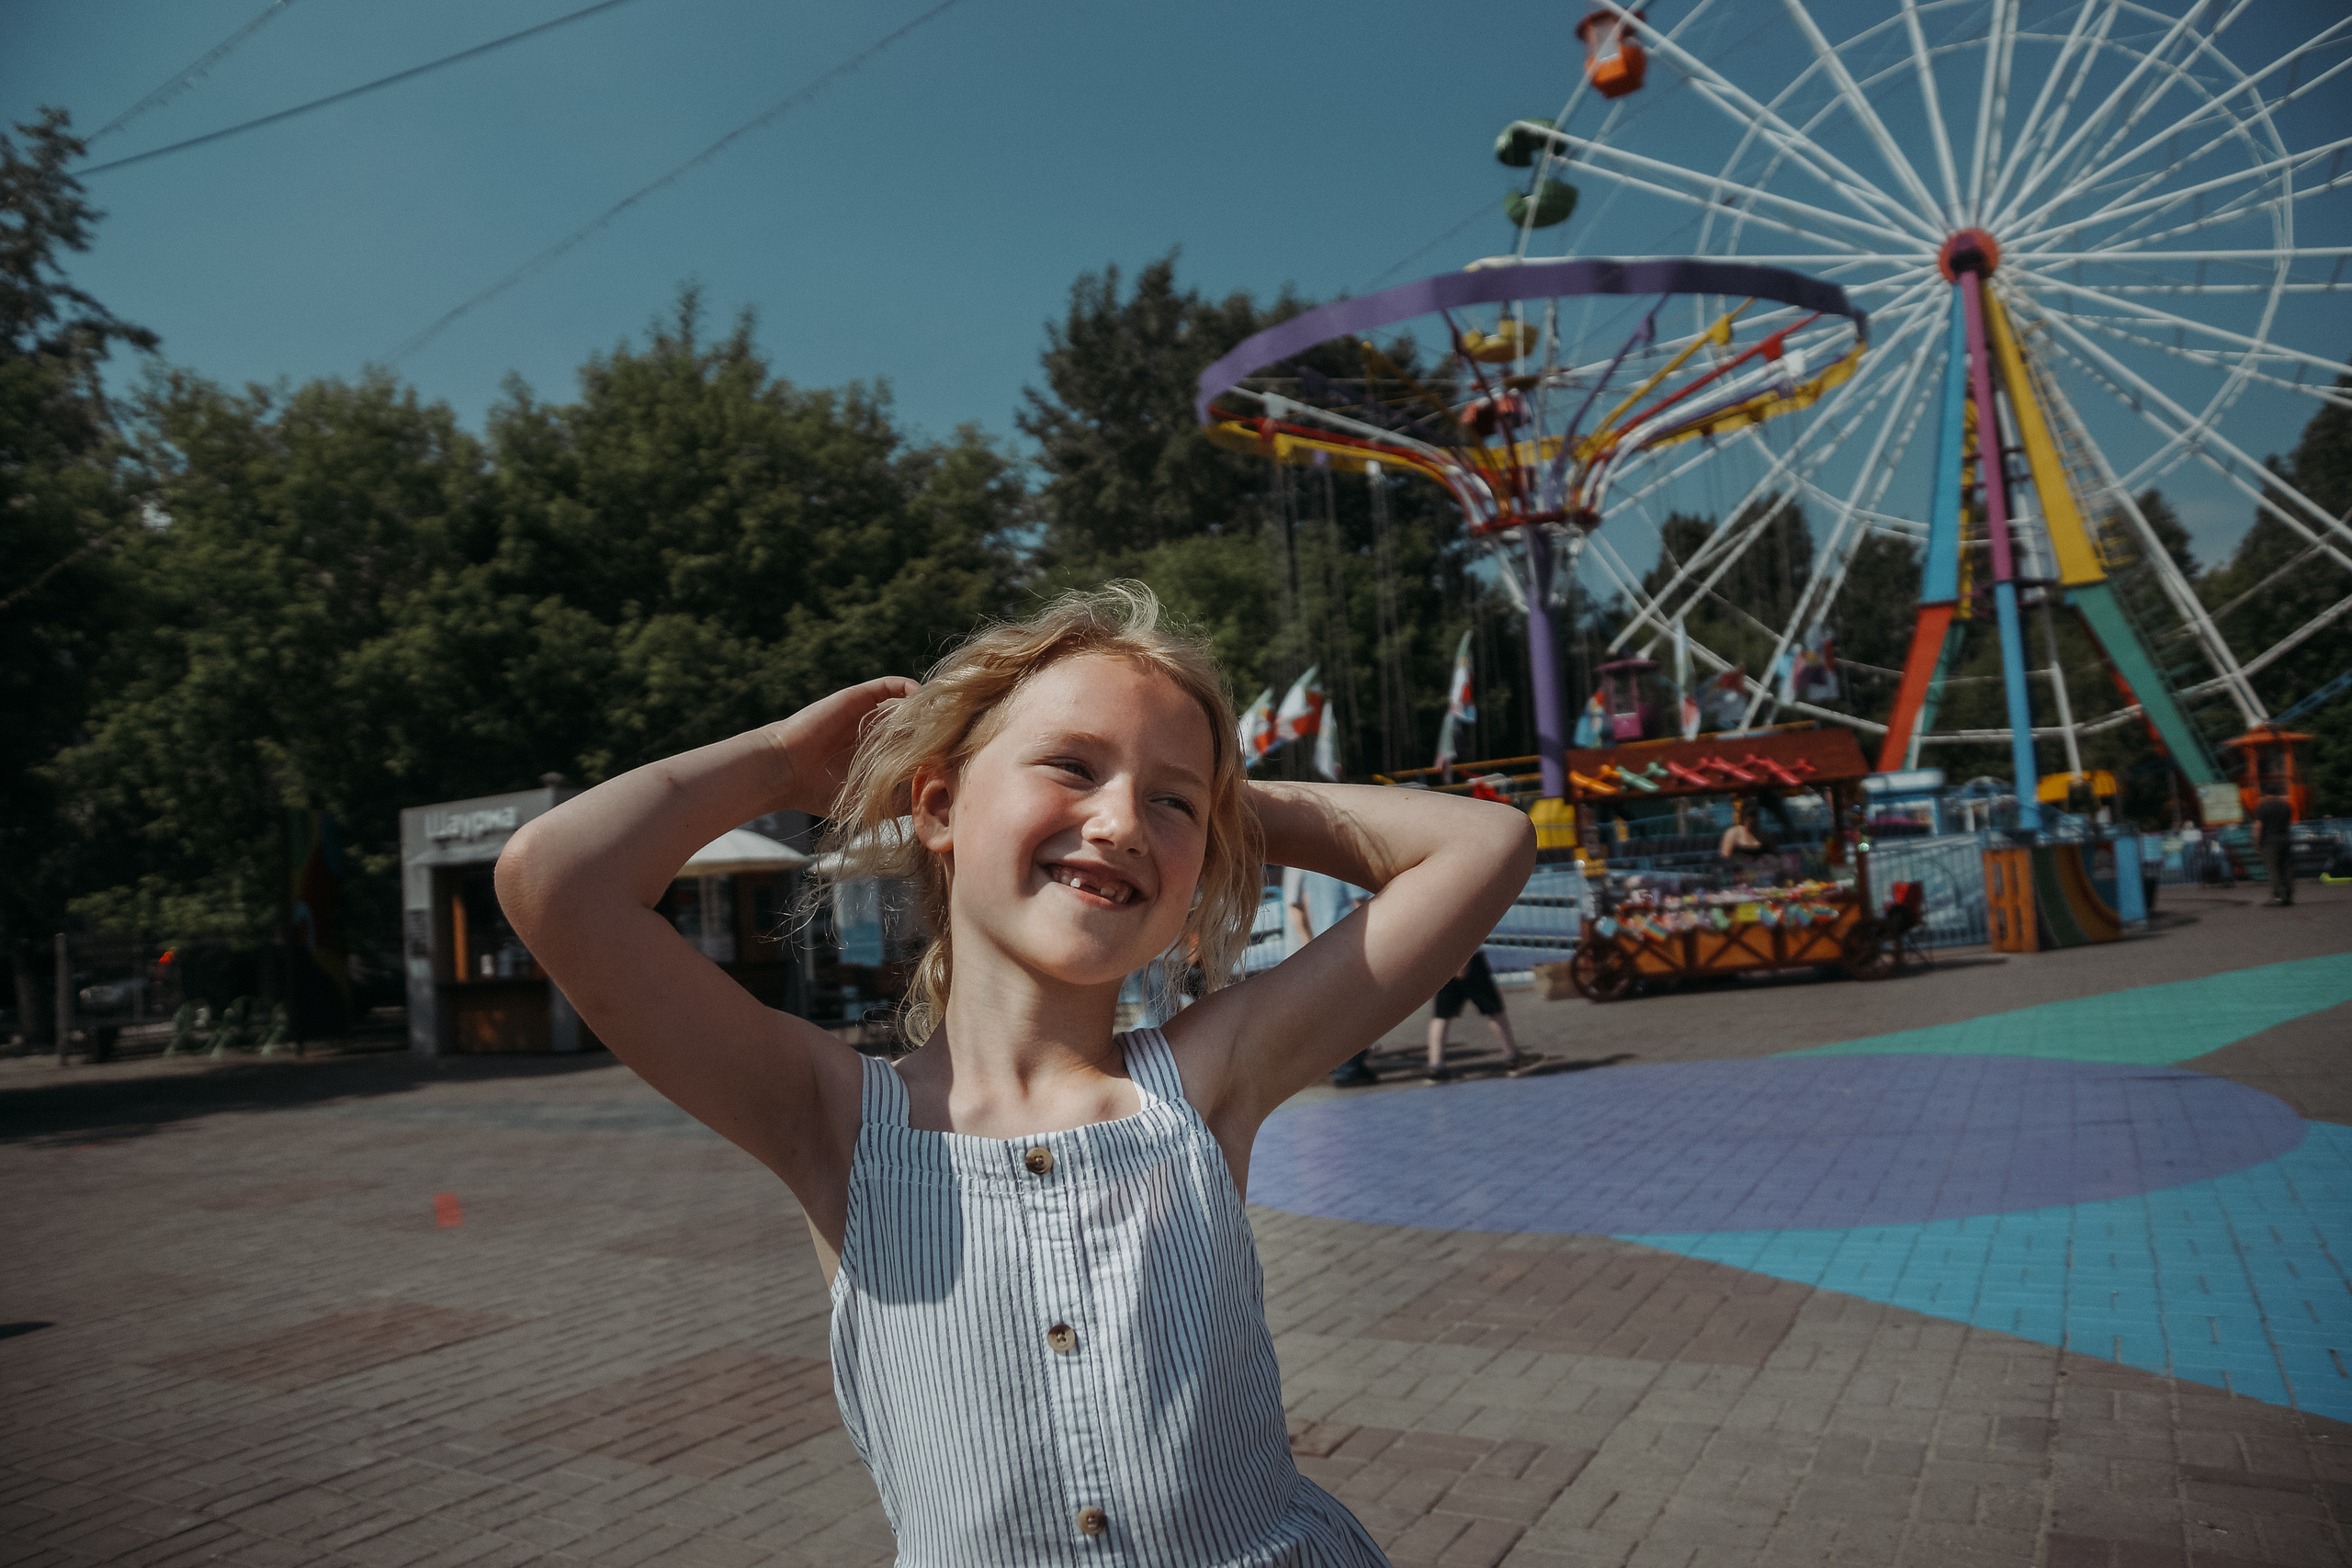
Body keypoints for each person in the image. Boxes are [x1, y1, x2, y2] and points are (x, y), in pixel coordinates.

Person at [497, 583, 1532, 1566]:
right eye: (1073, 769)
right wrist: (777, 764)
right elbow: (557, 881)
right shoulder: (836, 1119)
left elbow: (1486, 841)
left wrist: (1229, 807)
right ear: (938, 807)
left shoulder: (1207, 1079)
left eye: (1168, 803)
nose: (1122, 821)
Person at [1286, 868, 1377, 1086]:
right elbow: (1359, 903)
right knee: (1355, 1010)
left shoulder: (1315, 868)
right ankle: (1349, 1067)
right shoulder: (1345, 866)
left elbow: (1305, 901)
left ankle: (1342, 1065)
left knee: (1338, 1011)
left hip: (1324, 938)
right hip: (1348, 941)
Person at [1425, 948, 1532, 1081]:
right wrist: (1465, 960)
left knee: (1441, 1015)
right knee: (1494, 1010)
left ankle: (1436, 1067)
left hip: (1445, 960)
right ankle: (1513, 1058)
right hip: (1468, 960)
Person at [2254, 784, 2295, 906]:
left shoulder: (2262, 807)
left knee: (2273, 869)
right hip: (2285, 840)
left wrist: (2257, 844)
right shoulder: (2286, 806)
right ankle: (2288, 895)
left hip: (2269, 842)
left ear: (2265, 794)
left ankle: (2277, 897)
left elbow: (2258, 827)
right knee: (2287, 868)